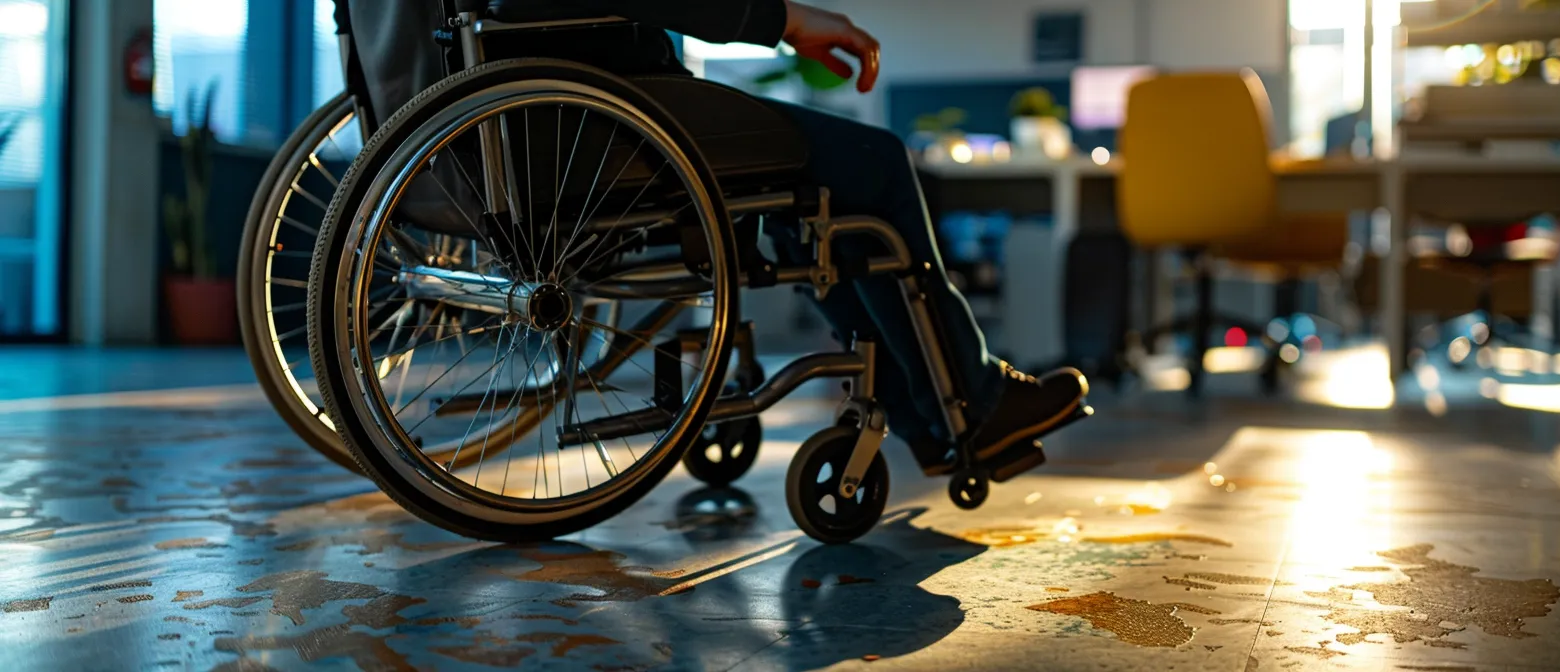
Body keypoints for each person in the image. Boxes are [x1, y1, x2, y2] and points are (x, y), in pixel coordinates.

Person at [342, 0, 1091, 476]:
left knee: (813, 188)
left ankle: (929, 407)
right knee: (873, 162)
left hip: (453, 155)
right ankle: (969, 400)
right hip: (581, 128)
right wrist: (785, 20)